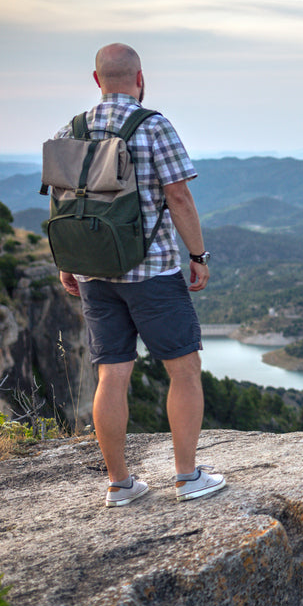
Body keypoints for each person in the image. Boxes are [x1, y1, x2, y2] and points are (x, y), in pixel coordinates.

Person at [56, 43, 225, 507]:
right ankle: (188, 477)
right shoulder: (153, 127)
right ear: (140, 78)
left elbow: (63, 204)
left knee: (112, 374)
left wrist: (67, 264)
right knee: (184, 370)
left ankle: (120, 484)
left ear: (96, 80)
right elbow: (180, 198)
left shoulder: (70, 130)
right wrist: (199, 255)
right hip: (152, 273)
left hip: (93, 272)